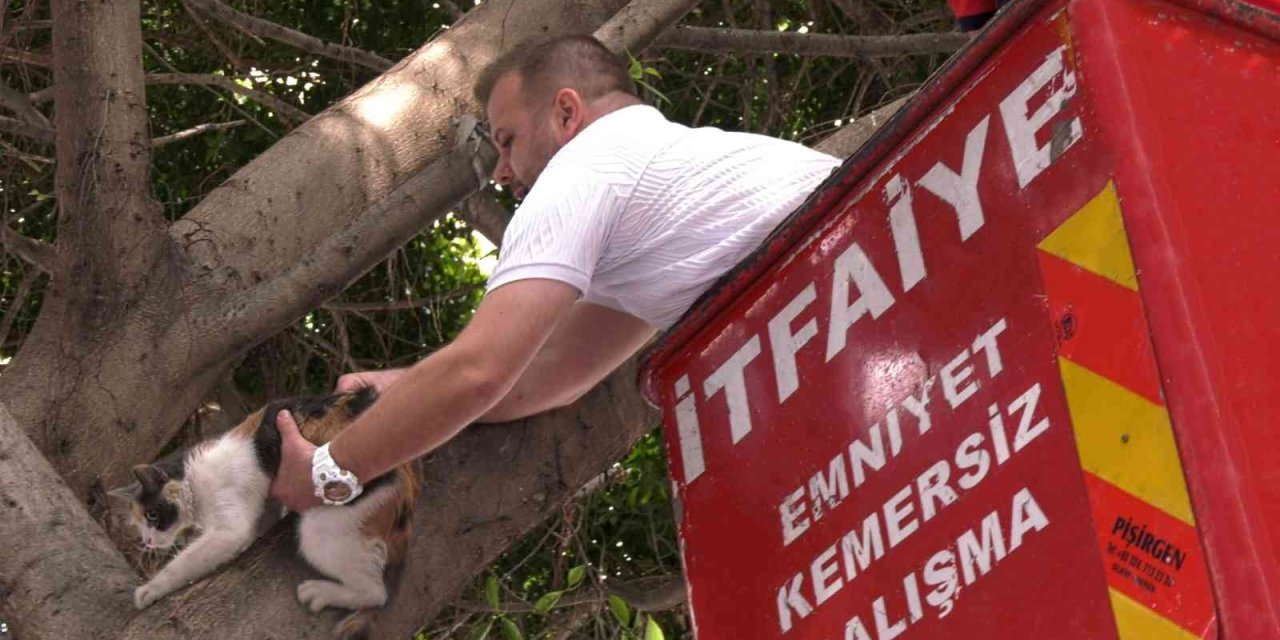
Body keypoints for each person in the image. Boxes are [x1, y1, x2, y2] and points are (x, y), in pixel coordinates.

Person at [269, 34, 840, 511]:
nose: (501, 171)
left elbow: (479, 373)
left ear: (566, 113)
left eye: (508, 140)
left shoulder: (585, 167)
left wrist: (329, 473)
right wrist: (400, 390)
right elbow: (550, 374)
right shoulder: (655, 185)